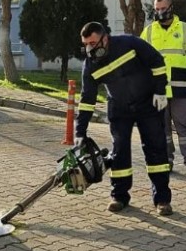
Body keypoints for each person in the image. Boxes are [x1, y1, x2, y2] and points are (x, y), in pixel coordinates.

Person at [74, 21, 173, 216]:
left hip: (148, 104)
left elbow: (157, 61)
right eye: (86, 44)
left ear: (105, 38)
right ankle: (119, 196)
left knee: (156, 150)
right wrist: (80, 131)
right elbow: (87, 100)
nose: (89, 49)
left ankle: (162, 199)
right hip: (119, 108)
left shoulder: (129, 43)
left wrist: (160, 91)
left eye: (93, 43)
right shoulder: (90, 65)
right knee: (119, 152)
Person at [140, 0, 186, 180]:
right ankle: (166, 159)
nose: (160, 12)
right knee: (162, 128)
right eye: (157, 9)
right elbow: (140, 58)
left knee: (183, 126)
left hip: (181, 88)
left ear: (171, 8)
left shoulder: (185, 29)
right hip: (157, 89)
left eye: (163, 8)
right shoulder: (149, 31)